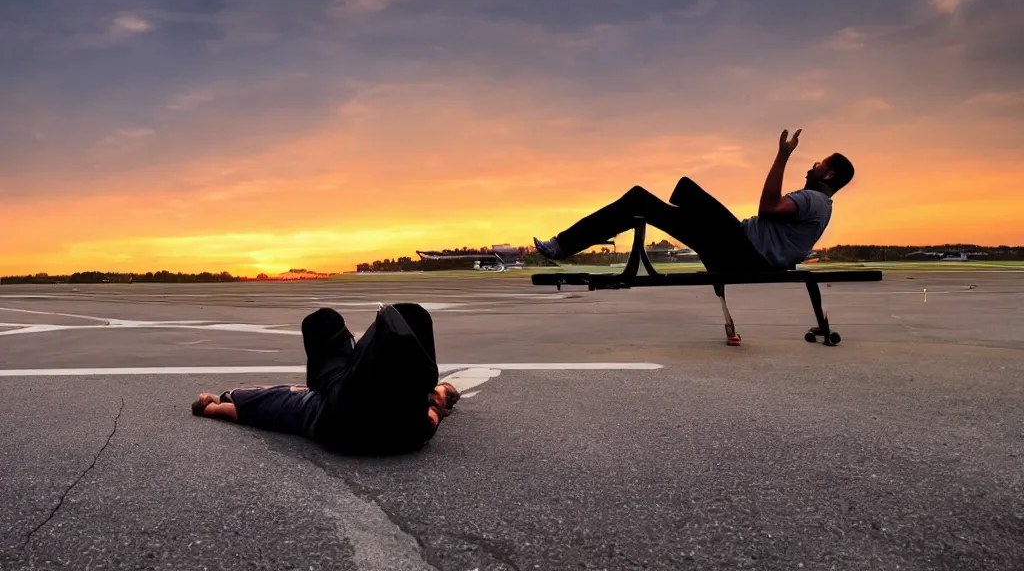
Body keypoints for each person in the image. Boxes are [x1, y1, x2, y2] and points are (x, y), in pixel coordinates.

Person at [533, 129, 855, 272]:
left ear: (828, 176)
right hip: (737, 249)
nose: (813, 165)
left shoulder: (813, 200)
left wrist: (782, 156)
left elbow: (768, 207)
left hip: (743, 252)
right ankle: (565, 244)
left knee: (683, 189)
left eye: (819, 164)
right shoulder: (821, 205)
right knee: (639, 200)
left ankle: (564, 245)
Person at [191, 304, 461, 454]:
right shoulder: (415, 422)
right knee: (411, 319)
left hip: (343, 417)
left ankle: (351, 350)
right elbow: (431, 415)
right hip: (386, 420)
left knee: (325, 323)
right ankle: (382, 356)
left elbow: (270, 405)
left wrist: (220, 402)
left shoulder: (321, 406)